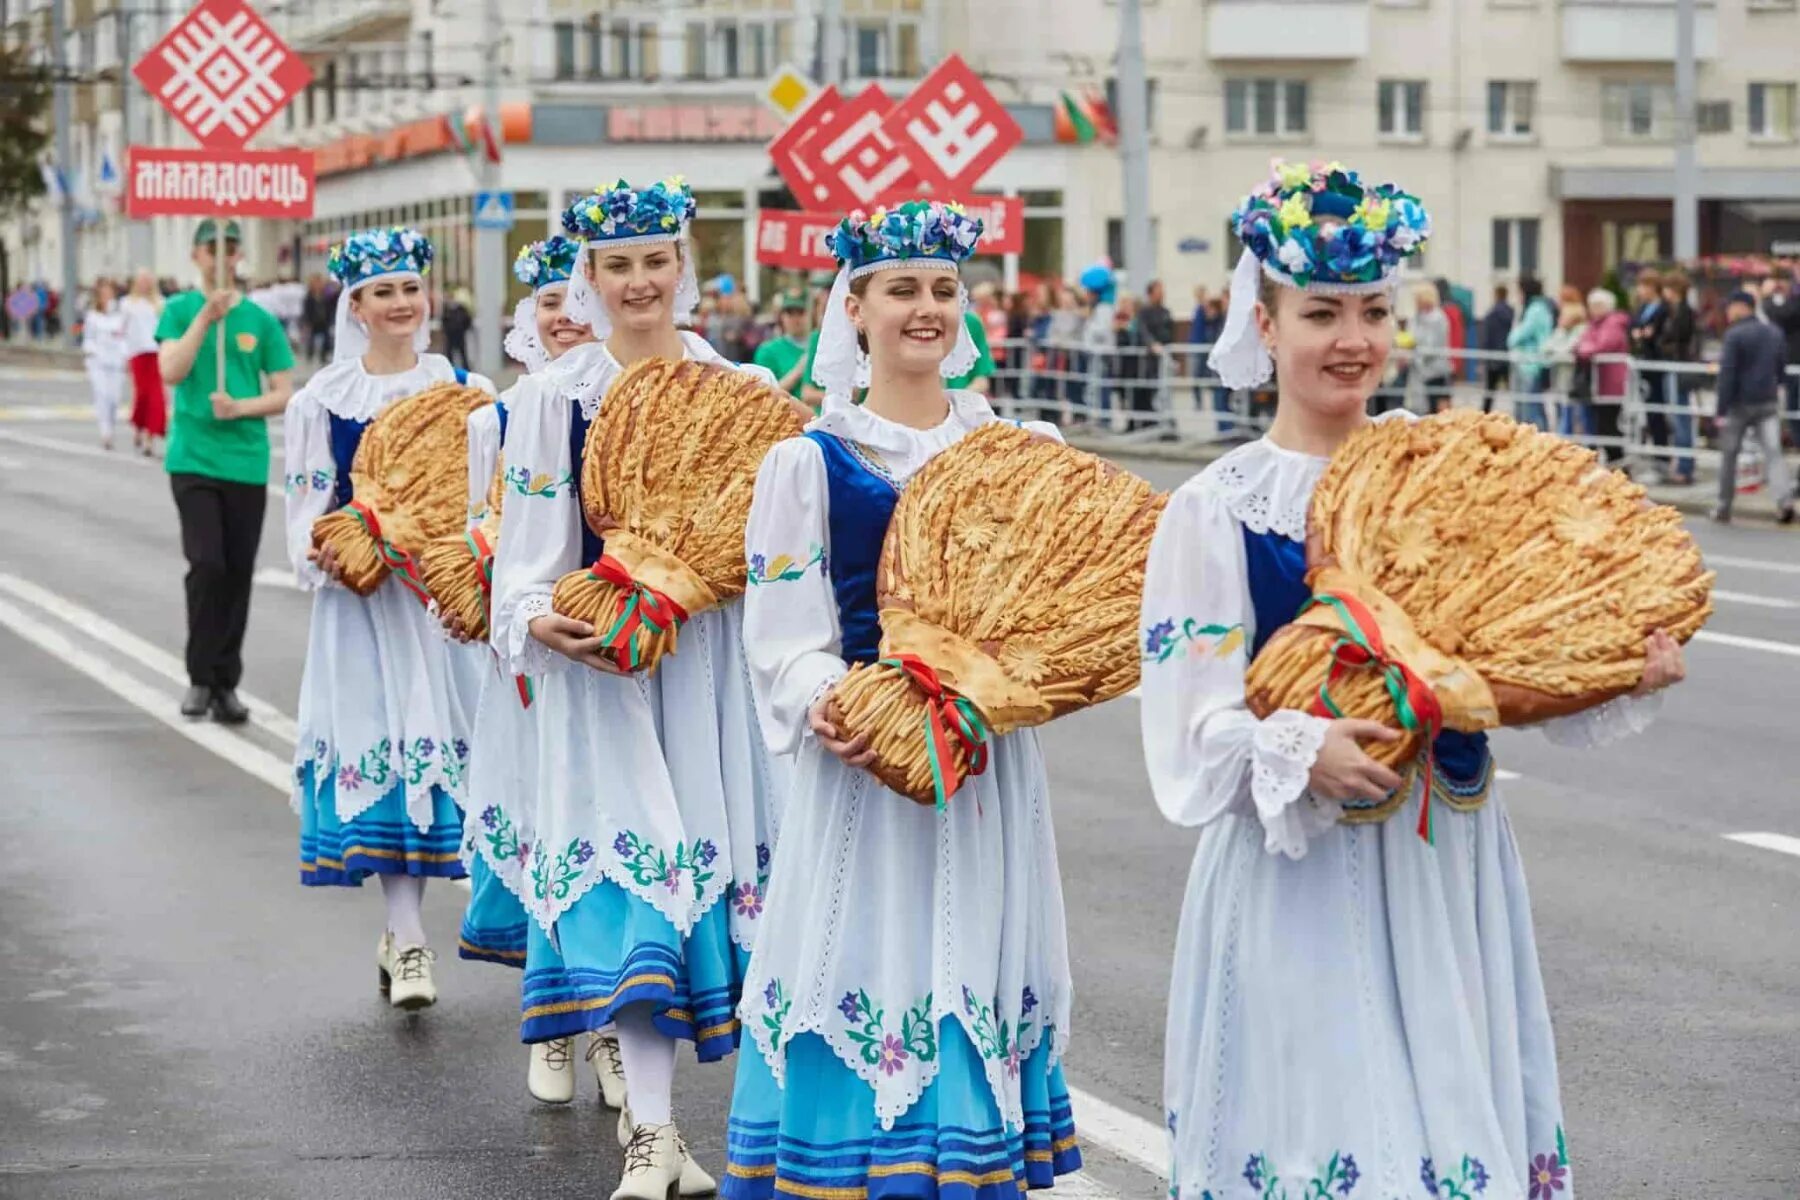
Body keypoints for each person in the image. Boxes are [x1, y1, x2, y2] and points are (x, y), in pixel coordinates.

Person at [1151, 159, 1687, 1200]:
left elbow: (1519, 655)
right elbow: (1189, 731)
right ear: (1264, 325)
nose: (1352, 339)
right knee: (1335, 1122)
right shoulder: (1218, 509)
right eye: (1320, 312)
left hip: (1451, 862)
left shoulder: (1439, 475)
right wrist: (1298, 750)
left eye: (1373, 310)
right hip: (1302, 875)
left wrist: (1623, 666)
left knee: (1449, 1120)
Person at [726, 198, 1081, 1200]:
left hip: (985, 767)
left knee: (978, 952)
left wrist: (1019, 679)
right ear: (857, 310)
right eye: (901, 291)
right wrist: (831, 700)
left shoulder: (1020, 454)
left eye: (941, 290)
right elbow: (783, 631)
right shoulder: (810, 462)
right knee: (871, 954)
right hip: (869, 769)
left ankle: (965, 1164)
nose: (925, 309)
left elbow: (1058, 611)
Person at [489, 178, 782, 1199]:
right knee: (634, 887)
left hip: (703, 672)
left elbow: (777, 549)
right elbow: (522, 564)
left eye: (656, 262)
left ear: (682, 268)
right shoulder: (548, 400)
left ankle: (695, 1133)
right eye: (619, 265)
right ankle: (651, 1136)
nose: (640, 282)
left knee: (709, 892)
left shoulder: (743, 392)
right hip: (599, 676)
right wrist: (539, 621)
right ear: (591, 276)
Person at [281, 227, 494, 1013]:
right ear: (356, 307)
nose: (402, 304)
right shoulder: (323, 402)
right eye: (383, 294)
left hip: (444, 610)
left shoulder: (469, 391)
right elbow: (306, 516)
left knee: (472, 765)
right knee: (391, 760)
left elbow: (491, 503)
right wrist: (338, 553)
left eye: (410, 289)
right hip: (367, 612)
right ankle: (407, 939)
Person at [450, 234, 630, 1109]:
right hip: (529, 656)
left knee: (604, 835)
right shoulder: (499, 418)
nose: (567, 319)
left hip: (614, 647)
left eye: (575, 302)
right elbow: (490, 532)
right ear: (530, 320)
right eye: (550, 306)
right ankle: (556, 1020)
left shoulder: (639, 397)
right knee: (542, 827)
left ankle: (609, 1031)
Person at [157, 218, 295, 724]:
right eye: (211, 249)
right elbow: (171, 370)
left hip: (245, 460)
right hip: (193, 458)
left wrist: (241, 407)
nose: (221, 257)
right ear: (196, 257)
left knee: (237, 573)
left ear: (239, 258)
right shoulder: (178, 310)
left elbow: (283, 391)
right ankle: (199, 677)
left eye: (230, 249)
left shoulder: (260, 320)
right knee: (207, 565)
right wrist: (205, 320)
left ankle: (226, 683)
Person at [1712, 289, 1796, 525]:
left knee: (1729, 455)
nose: (1728, 312)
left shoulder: (1734, 335)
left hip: (1739, 404)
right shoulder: (1774, 332)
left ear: (1741, 306)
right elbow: (1781, 368)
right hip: (1767, 402)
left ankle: (1723, 506)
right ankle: (1783, 502)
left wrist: (1720, 410)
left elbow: (1727, 375)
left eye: (1730, 307)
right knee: (1773, 454)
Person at [1575, 287, 1631, 465]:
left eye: (1597, 305)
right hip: (1597, 384)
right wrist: (1584, 348)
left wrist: (1584, 350)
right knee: (1600, 425)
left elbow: (1602, 345)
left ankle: (1619, 462)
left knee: (1609, 425)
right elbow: (1581, 343)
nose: (1593, 309)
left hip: (1610, 383)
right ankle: (1613, 462)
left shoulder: (1612, 323)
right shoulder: (1594, 324)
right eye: (1591, 305)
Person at [1654, 271, 1699, 484]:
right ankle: (1682, 463)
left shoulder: (1684, 312)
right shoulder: (1673, 311)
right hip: (1673, 366)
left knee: (1681, 417)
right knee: (1677, 416)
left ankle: (1685, 465)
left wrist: (1664, 344)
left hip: (1678, 367)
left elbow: (1677, 338)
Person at [122, 270, 167, 457]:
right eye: (141, 281)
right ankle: (138, 428)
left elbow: (165, 328)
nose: (144, 285)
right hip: (137, 352)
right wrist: (124, 355)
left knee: (156, 395)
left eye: (148, 281)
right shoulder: (127, 304)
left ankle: (150, 437)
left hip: (156, 352)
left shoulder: (161, 303)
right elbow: (122, 330)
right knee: (141, 394)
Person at [1626, 269, 1669, 464]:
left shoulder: (1663, 308)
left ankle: (1662, 455)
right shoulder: (1642, 308)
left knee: (1658, 409)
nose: (1639, 290)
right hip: (1642, 362)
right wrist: (1640, 333)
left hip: (1657, 363)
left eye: (1643, 286)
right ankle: (1654, 452)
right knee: (1648, 409)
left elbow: (1658, 333)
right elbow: (1634, 327)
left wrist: (1645, 334)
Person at [80, 277, 128, 451]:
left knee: (114, 399)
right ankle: (105, 433)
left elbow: (124, 337)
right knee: (102, 396)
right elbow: (88, 339)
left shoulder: (120, 314)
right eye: (103, 291)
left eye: (109, 291)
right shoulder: (92, 316)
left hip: (116, 363)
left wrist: (125, 354)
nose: (106, 295)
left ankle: (111, 428)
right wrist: (92, 351)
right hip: (98, 362)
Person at [1503, 276, 1555, 430]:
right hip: (1526, 363)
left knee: (1530, 408)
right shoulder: (1532, 308)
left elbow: (1519, 335)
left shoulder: (1536, 309)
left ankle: (1537, 440)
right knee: (1528, 406)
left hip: (1530, 365)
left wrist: (1512, 337)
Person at [1760, 268, 1800, 447]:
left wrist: (1767, 298)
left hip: (1793, 365)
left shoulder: (1790, 303)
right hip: (1777, 365)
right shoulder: (1775, 303)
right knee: (1788, 413)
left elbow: (1782, 315)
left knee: (1794, 413)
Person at [752, 289, 812, 399]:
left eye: (800, 313)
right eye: (790, 314)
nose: (795, 319)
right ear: (782, 316)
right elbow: (764, 394)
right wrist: (799, 370)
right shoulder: (768, 351)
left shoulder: (819, 345)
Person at [1544, 301, 1590, 439]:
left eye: (1562, 316)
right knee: (1564, 413)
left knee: (1578, 415)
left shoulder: (1582, 332)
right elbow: (1545, 348)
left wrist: (1555, 352)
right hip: (1561, 381)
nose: (1559, 320)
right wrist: (1558, 351)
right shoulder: (1560, 332)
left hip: (1576, 383)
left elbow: (1568, 352)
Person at [1411, 281, 1453, 411]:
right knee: (1422, 407)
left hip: (1436, 370)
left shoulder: (1438, 318)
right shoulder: (1418, 317)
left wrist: (1416, 354)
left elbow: (1433, 346)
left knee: (1437, 408)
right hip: (1421, 371)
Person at [1478, 283, 1513, 411]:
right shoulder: (1512, 312)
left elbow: (1487, 336)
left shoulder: (1491, 314)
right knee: (1514, 390)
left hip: (1493, 356)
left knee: (1489, 391)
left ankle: (1485, 415)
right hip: (1507, 354)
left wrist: (1483, 357)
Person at [442, 287, 474, 371]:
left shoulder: (461, 309)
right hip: (451, 335)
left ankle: (466, 369)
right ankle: (450, 369)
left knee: (462, 354)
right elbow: (443, 321)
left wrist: (463, 328)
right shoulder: (447, 309)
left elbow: (467, 320)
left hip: (459, 334)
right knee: (450, 354)